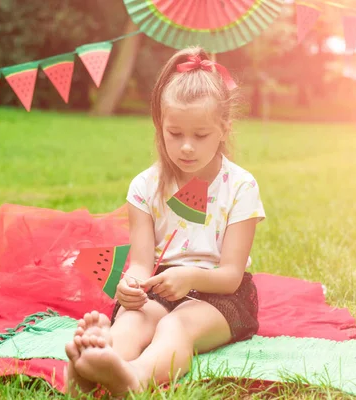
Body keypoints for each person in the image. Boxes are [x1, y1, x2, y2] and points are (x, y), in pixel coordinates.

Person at [65, 46, 266, 397]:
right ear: (160, 125)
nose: (187, 147)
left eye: (200, 135)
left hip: (221, 297)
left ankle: (135, 378)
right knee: (133, 322)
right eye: (175, 134)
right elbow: (142, 263)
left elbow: (231, 276)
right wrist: (131, 285)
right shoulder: (144, 186)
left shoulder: (241, 186)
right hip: (158, 289)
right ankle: (92, 363)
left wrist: (189, 277)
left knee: (177, 325)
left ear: (224, 128)